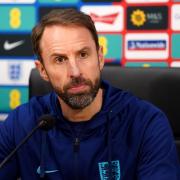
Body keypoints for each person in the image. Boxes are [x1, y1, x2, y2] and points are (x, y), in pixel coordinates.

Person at [0, 8, 179, 180]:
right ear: (43, 70)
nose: (75, 72)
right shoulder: (22, 124)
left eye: (83, 54)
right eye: (60, 59)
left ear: (100, 58)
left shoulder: (145, 122)